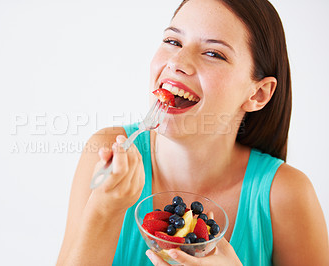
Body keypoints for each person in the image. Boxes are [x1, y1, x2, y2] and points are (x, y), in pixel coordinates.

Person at [57, 0, 329, 265]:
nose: (177, 61)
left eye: (213, 53)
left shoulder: (286, 194)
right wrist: (103, 211)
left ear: (257, 94)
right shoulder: (106, 152)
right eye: (173, 42)